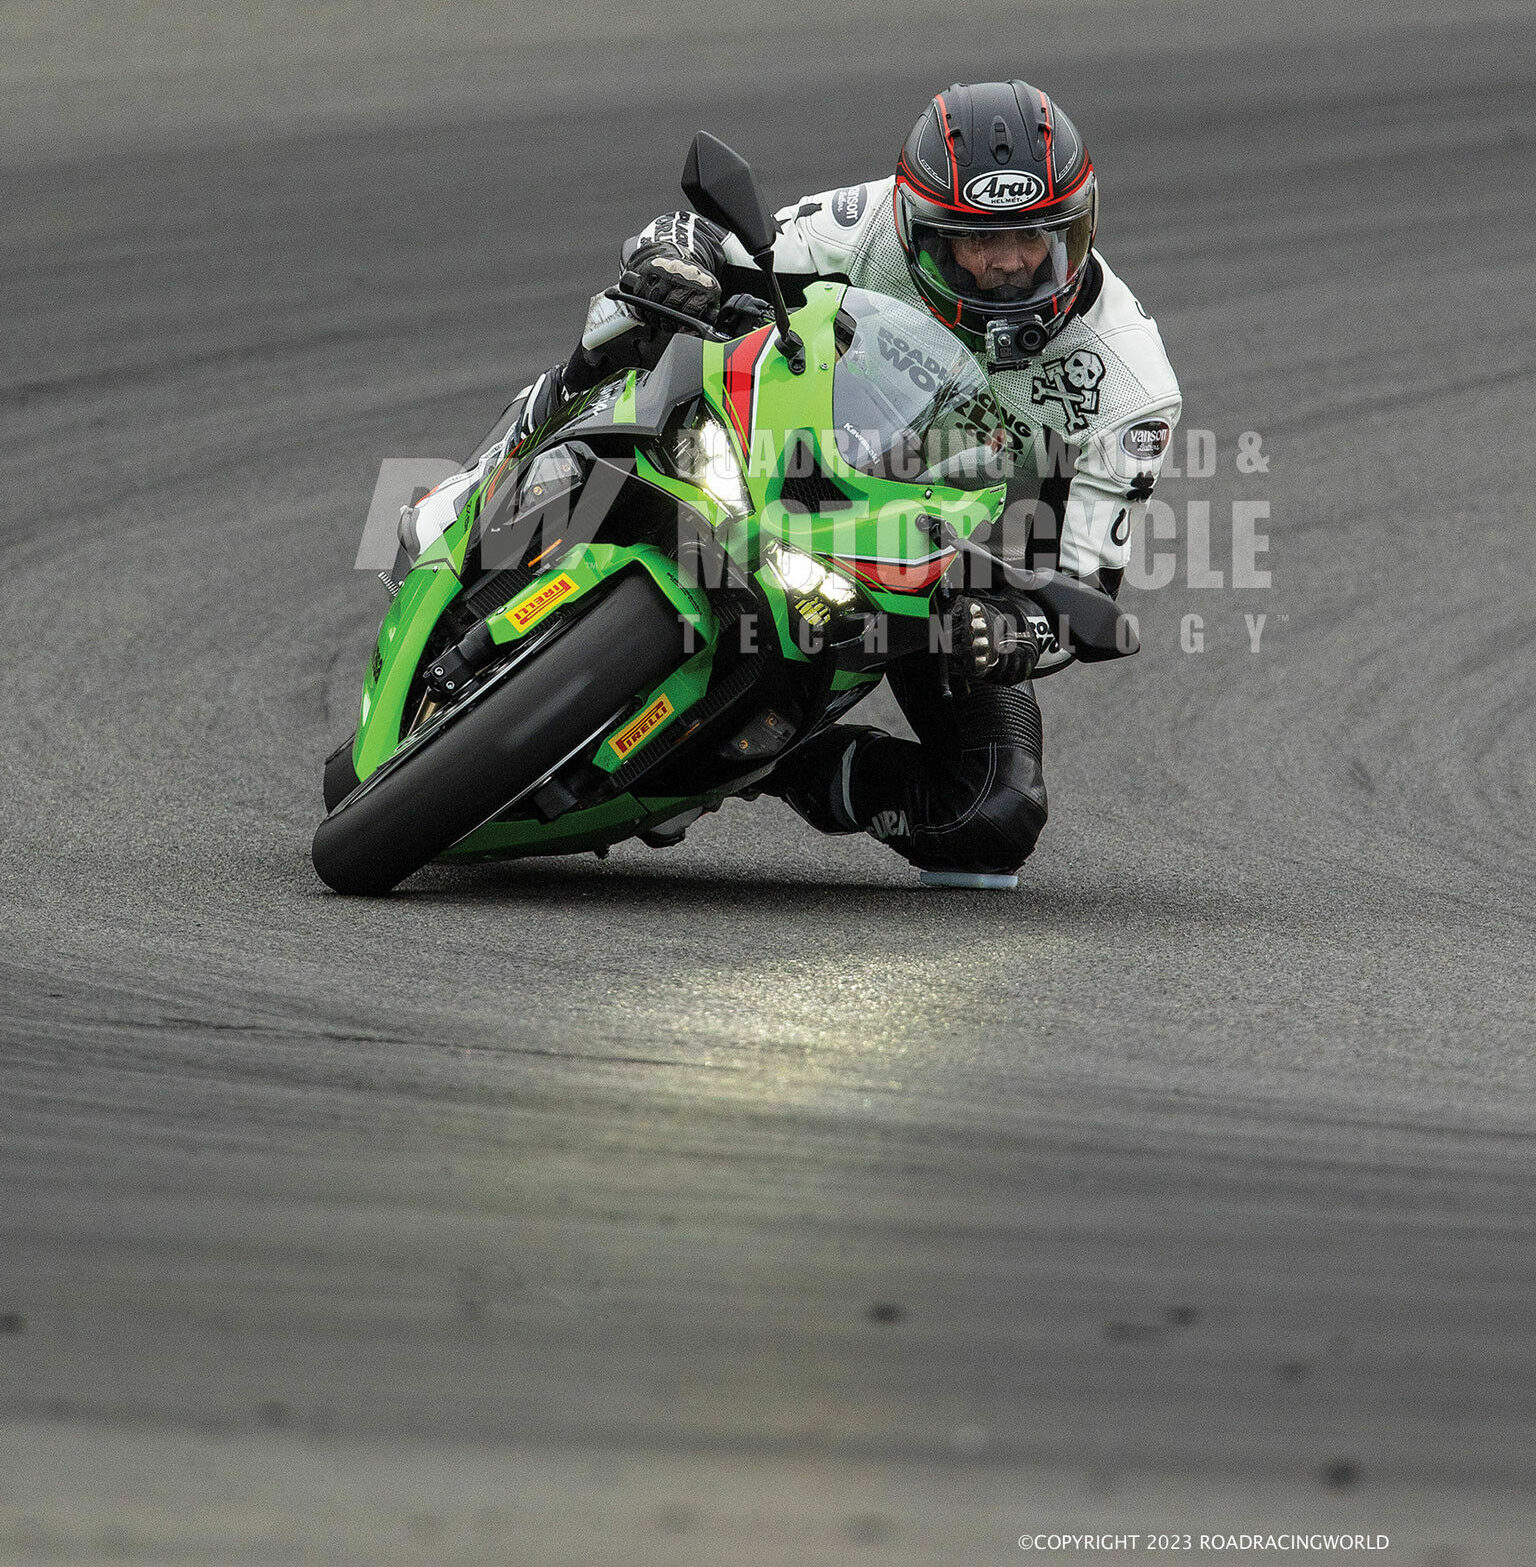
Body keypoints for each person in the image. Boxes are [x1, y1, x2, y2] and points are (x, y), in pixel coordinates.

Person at [509, 81, 1182, 887]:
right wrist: (671, 260)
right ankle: (513, 456)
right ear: (920, 229)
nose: (1010, 262)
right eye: (978, 241)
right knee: (637, 314)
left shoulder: (1131, 389)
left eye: (1037, 236)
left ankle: (761, 763)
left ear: (1079, 226)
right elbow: (704, 237)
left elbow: (1088, 591)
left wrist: (1011, 632)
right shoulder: (871, 225)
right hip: (783, 445)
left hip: (942, 564)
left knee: (993, 815)